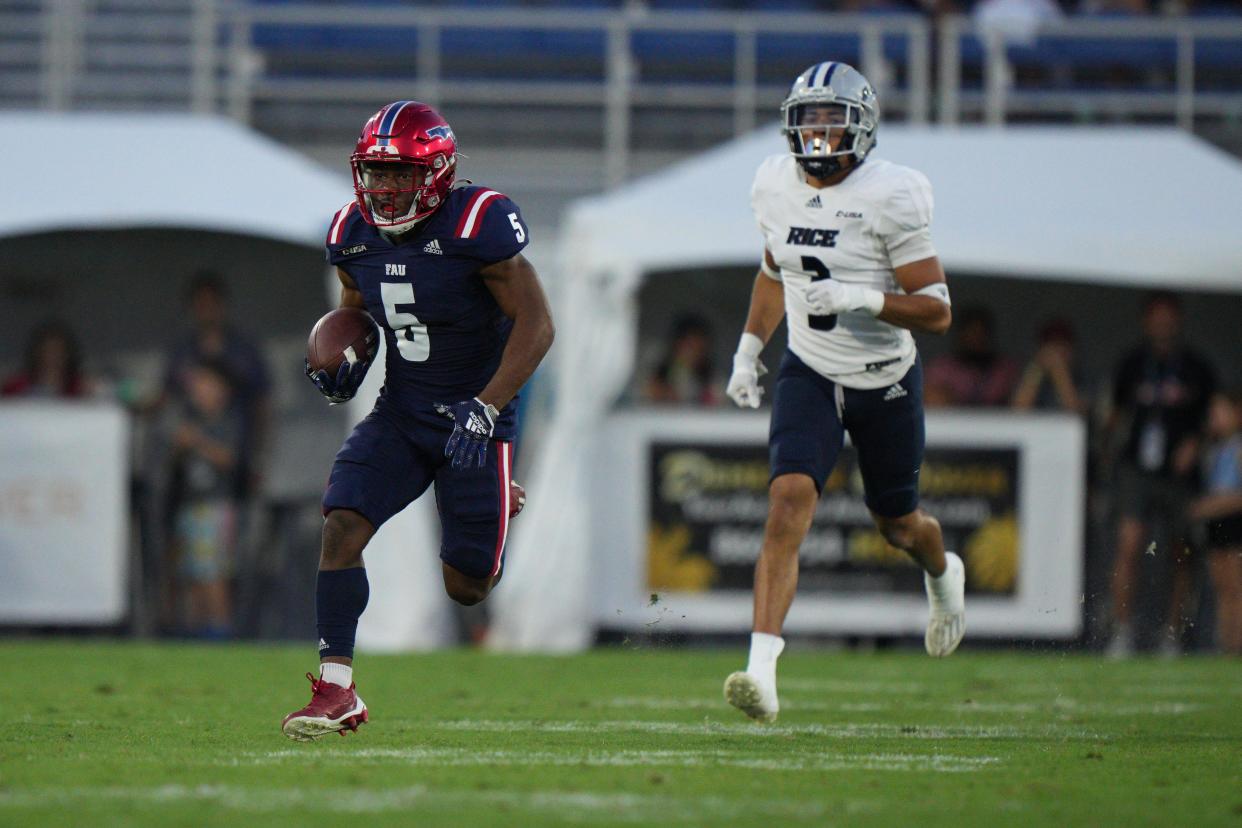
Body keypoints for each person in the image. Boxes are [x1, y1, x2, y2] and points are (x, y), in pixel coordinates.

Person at [281, 101, 554, 741]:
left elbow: (537, 326)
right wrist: (344, 351)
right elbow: (358, 305)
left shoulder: (478, 223)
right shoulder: (351, 232)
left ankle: (495, 491)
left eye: (399, 175)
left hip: (477, 414)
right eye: (375, 174)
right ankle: (337, 691)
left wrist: (487, 409)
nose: (383, 188)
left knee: (467, 586)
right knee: (342, 520)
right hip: (403, 411)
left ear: (434, 172)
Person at [722, 62, 963, 724]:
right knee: (785, 503)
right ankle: (761, 671)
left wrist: (863, 297)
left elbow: (937, 309)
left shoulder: (892, 194)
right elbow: (775, 271)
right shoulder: (772, 183)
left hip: (883, 379)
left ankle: (944, 578)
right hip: (810, 367)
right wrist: (748, 350)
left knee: (899, 526)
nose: (820, 134)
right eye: (810, 119)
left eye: (833, 120)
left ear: (861, 126)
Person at [1104, 292, 1215, 657]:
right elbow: (1115, 414)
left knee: (1181, 552)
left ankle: (1173, 633)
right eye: (1157, 317)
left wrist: (1196, 444)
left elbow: (1215, 419)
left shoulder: (1197, 367)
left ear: (1178, 321)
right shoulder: (1133, 363)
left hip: (1180, 474)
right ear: (1146, 322)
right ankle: (1122, 631)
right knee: (1130, 544)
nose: (1163, 324)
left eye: (1169, 318)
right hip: (1138, 467)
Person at [158, 273, 273, 499]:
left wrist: (260, 456)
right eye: (200, 305)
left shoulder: (243, 351)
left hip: (234, 450)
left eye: (211, 304)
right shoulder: (183, 353)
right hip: (191, 466)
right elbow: (167, 399)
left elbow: (262, 404)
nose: (206, 311)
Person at [166, 358, 241, 640]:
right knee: (192, 573)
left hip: (215, 506)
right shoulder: (190, 420)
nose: (198, 390)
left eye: (205, 384)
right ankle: (196, 632)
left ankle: (220, 631)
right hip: (190, 505)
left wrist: (196, 441)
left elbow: (229, 459)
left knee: (213, 573)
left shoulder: (227, 422)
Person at [1187, 390, 1242, 654]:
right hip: (1217, 524)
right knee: (1221, 588)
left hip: (1233, 522)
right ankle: (1226, 644)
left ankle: (1236, 644)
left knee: (1235, 588)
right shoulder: (1214, 448)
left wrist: (1210, 506)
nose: (1215, 419)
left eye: (1221, 412)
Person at [923, 305, 1020, 407]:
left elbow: (1019, 405)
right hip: (953, 421)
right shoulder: (942, 368)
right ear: (960, 335)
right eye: (971, 333)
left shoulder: (1004, 369)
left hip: (998, 422)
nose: (976, 340)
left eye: (980, 334)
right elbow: (932, 400)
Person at [1011, 318, 1088, 414]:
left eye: (1061, 345)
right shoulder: (1032, 374)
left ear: (1071, 348)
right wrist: (1036, 369)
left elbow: (1076, 415)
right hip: (1035, 428)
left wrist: (1059, 371)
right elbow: (1017, 411)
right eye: (1051, 345)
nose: (1055, 352)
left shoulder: (1085, 378)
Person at [2, 319, 94, 398]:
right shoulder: (17, 385)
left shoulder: (79, 387)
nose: (53, 357)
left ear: (67, 355)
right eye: (47, 351)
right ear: (37, 353)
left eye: (58, 352)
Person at [644, 313, 721, 406]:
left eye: (699, 349)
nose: (693, 354)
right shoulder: (656, 375)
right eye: (690, 347)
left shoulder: (712, 381)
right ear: (676, 345)